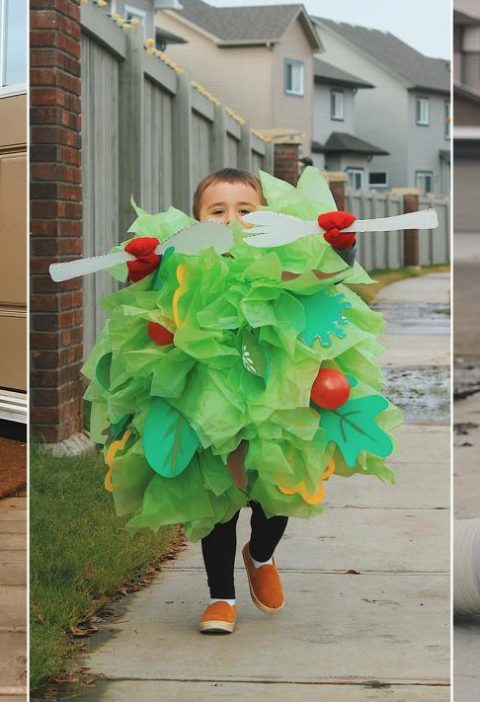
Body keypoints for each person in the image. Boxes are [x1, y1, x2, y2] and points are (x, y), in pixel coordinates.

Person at [82, 166, 401, 637]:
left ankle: (262, 554)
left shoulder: (286, 249)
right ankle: (220, 597)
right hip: (208, 395)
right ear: (195, 221)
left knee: (278, 483)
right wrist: (145, 270)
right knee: (218, 494)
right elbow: (153, 299)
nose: (231, 219)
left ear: (266, 215)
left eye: (245, 210)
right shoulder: (183, 261)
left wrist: (341, 244)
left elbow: (324, 274)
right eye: (217, 211)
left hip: (279, 388)